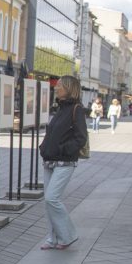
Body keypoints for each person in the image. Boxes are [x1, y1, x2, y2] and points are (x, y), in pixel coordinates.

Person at [38, 75, 87, 250]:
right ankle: (52, 238)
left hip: (65, 162)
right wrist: (43, 147)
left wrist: (63, 150)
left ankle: (68, 236)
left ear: (68, 88)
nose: (56, 88)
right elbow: (52, 133)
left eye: (59, 85)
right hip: (50, 161)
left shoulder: (77, 109)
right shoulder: (60, 109)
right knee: (48, 202)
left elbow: (81, 138)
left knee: (52, 198)